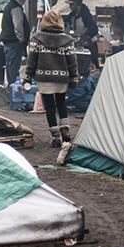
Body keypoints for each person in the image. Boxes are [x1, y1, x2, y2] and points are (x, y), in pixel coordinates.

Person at [23, 10, 79, 147]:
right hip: (62, 78)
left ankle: (55, 136)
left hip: (44, 78)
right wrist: (74, 79)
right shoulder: (67, 40)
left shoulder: (37, 38)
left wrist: (27, 79)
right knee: (61, 103)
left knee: (49, 106)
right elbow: (72, 62)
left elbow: (32, 61)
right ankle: (64, 128)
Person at [0, 0, 31, 85]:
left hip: (7, 41)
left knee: (10, 66)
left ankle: (11, 86)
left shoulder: (8, 6)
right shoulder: (16, 8)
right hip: (14, 42)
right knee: (13, 67)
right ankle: (13, 88)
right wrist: (21, 39)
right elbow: (18, 25)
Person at [66, 0, 99, 69]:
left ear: (76, 4)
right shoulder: (72, 15)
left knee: (91, 66)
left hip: (89, 45)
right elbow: (65, 22)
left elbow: (94, 29)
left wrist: (82, 36)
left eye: (71, 5)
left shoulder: (86, 15)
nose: (69, 7)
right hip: (79, 44)